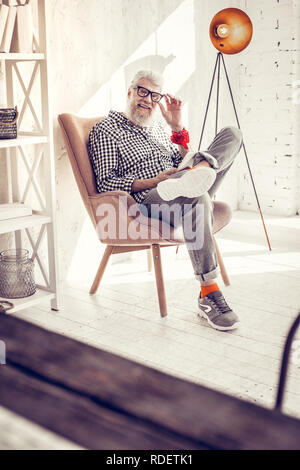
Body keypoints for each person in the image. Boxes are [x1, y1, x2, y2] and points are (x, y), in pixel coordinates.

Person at [88, 70, 243, 331]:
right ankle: (209, 292)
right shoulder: (106, 130)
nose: (147, 99)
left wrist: (177, 128)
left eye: (154, 95)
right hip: (149, 199)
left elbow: (178, 161)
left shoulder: (158, 127)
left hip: (180, 185)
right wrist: (153, 182)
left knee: (232, 134)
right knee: (197, 198)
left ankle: (199, 170)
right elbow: (105, 182)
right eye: (142, 91)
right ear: (129, 92)